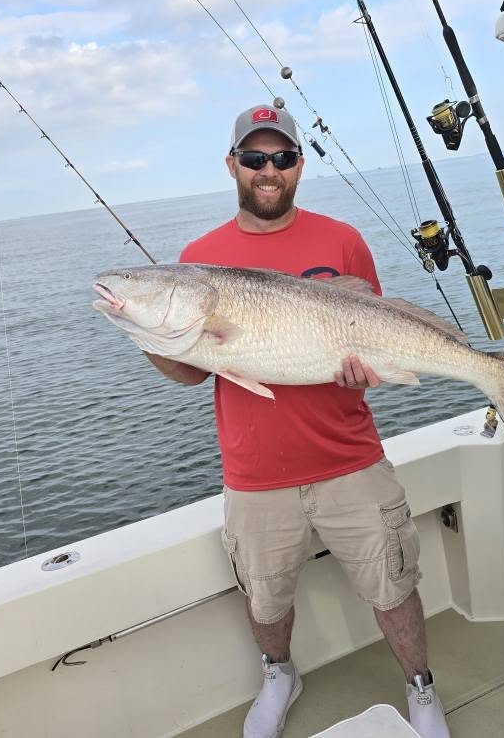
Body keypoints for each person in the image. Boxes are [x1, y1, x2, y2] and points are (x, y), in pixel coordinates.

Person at [144, 104, 450, 738]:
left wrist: (367, 367)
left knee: (393, 585)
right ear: (233, 165)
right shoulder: (200, 258)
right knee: (266, 597)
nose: (268, 170)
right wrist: (156, 338)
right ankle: (279, 674)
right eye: (255, 158)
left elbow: (376, 328)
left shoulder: (341, 239)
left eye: (281, 158)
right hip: (255, 475)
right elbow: (196, 373)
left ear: (298, 167)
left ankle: (422, 691)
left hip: (351, 459)